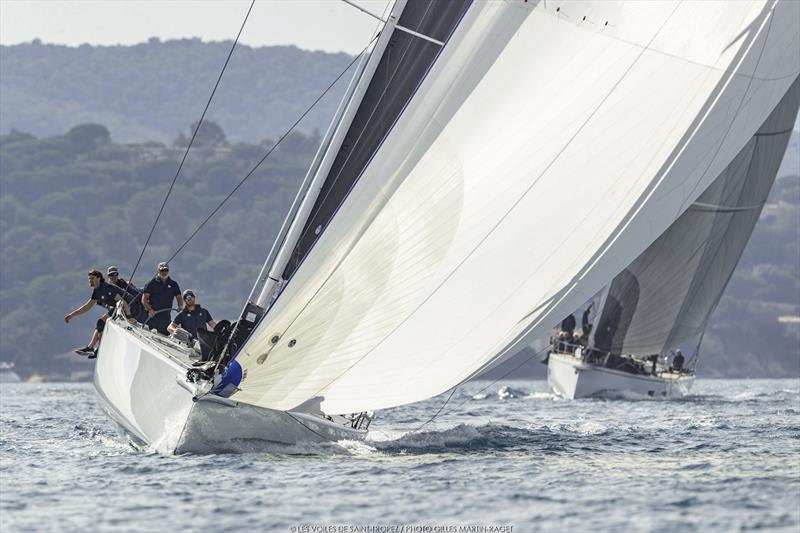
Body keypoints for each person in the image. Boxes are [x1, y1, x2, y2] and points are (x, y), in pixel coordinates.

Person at [64, 269, 126, 358]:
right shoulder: (97, 291)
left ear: (98, 278)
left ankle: (97, 349)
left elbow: (121, 301)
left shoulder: (106, 287)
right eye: (89, 279)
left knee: (101, 322)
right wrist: (72, 315)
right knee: (100, 324)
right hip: (117, 308)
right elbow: (87, 307)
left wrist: (130, 315)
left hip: (125, 307)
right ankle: (93, 348)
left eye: (92, 278)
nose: (90, 281)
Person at [142, 262, 183, 335]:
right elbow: (144, 299)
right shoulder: (152, 283)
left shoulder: (174, 284)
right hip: (152, 316)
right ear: (158, 271)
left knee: (166, 336)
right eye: (162, 270)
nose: (164, 272)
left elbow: (179, 298)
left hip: (166, 318)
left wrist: (180, 306)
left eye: (166, 270)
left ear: (168, 271)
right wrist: (150, 309)